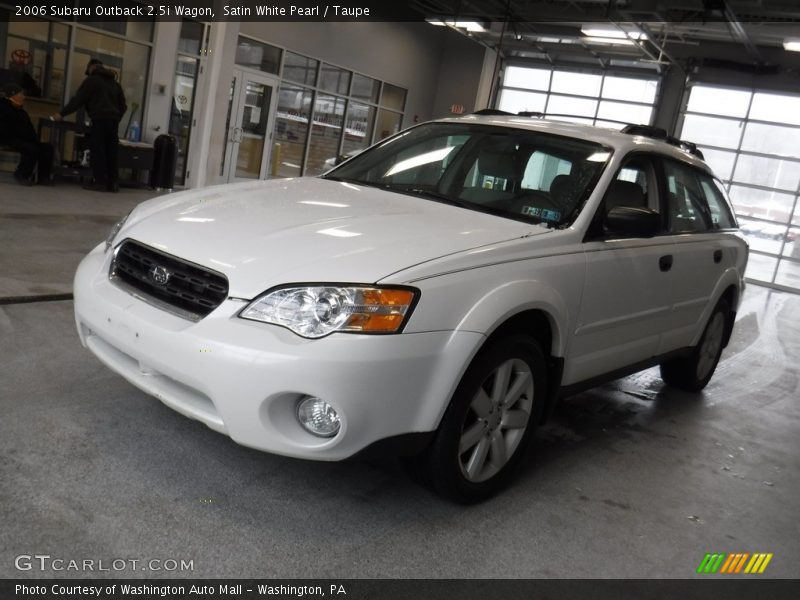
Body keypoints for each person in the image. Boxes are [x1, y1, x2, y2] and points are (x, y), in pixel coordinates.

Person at [53, 59, 127, 192]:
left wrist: (62, 113)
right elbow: (123, 106)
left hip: (99, 119)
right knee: (112, 152)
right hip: (113, 121)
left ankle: (100, 182)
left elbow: (78, 100)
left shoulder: (92, 81)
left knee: (98, 151)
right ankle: (113, 184)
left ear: (91, 67)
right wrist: (116, 117)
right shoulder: (115, 84)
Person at [0, 83, 54, 186]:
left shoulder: (21, 111)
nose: (24, 97)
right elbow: (6, 129)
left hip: (23, 139)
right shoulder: (3, 108)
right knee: (30, 148)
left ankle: (43, 177)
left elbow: (29, 129)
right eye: (21, 94)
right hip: (8, 138)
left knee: (47, 148)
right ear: (13, 95)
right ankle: (21, 174)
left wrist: (35, 140)